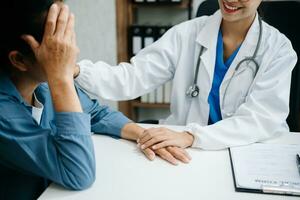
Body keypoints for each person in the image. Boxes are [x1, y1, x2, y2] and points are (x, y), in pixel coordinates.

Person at [0, 1, 191, 199]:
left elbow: (96, 113)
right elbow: (78, 173)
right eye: (58, 47)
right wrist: (61, 77)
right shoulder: (6, 113)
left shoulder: (43, 85)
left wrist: (145, 135)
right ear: (19, 60)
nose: (72, 51)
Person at [74, 0, 297, 150]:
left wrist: (192, 136)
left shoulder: (278, 49)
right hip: (191, 152)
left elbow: (259, 120)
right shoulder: (187, 33)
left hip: (250, 150)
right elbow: (132, 77)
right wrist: (76, 70)